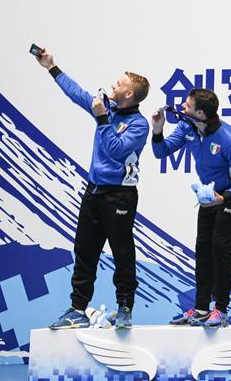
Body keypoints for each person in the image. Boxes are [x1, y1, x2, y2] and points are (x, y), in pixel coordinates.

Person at [36, 49, 150, 330]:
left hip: (120, 195)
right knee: (85, 250)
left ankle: (124, 308)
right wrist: (52, 68)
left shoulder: (139, 124)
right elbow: (77, 93)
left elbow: (116, 151)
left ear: (129, 95)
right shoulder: (107, 108)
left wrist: (101, 120)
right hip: (94, 191)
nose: (113, 85)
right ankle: (77, 308)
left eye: (119, 84)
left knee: (122, 252)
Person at [151, 88, 231, 328]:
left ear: (200, 113)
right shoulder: (188, 127)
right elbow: (161, 152)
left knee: (220, 246)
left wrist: (223, 197)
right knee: (203, 250)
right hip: (208, 196)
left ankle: (222, 311)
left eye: (187, 105)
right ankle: (201, 309)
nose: (182, 108)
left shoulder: (230, 140)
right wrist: (157, 130)